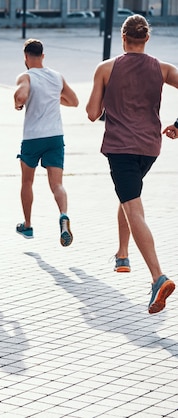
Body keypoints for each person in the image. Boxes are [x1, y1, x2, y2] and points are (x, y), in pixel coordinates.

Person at [86, 15, 178, 314]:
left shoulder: (106, 68)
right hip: (150, 148)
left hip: (121, 148)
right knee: (129, 198)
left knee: (134, 209)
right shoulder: (162, 68)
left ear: (122, 38)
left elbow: (91, 112)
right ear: (146, 39)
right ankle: (122, 254)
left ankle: (157, 277)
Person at [13, 39, 79, 246]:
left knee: (27, 182)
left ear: (25, 57)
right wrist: (53, 97)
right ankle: (63, 215)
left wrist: (18, 102)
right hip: (55, 136)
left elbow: (21, 95)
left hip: (33, 138)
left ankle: (28, 224)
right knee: (57, 184)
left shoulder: (26, 76)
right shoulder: (57, 76)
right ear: (43, 56)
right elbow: (74, 101)